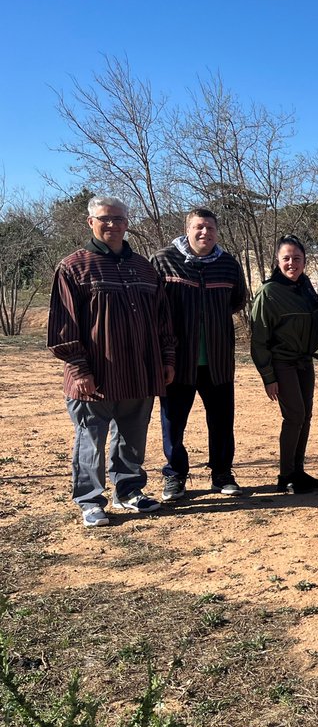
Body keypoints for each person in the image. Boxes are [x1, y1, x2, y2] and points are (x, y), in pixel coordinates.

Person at [48, 196, 176, 527]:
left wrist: (167, 358)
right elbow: (63, 325)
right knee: (91, 438)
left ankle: (129, 490)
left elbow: (163, 319)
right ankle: (90, 500)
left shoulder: (145, 268)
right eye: (105, 219)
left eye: (118, 219)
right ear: (90, 222)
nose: (112, 224)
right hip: (95, 375)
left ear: (127, 223)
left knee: (132, 436)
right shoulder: (74, 267)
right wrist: (79, 369)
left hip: (140, 372)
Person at [152, 208, 248, 501]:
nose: (204, 232)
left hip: (217, 362)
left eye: (210, 228)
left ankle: (221, 474)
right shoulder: (164, 260)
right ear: (187, 229)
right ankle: (176, 476)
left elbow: (236, 300)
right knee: (173, 422)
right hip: (177, 361)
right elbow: (155, 308)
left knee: (221, 422)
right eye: (199, 227)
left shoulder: (229, 264)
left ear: (217, 231)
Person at [250, 235, 318, 494]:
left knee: (306, 416)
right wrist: (268, 376)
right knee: (294, 416)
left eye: (297, 258)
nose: (292, 263)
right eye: (286, 258)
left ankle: (298, 470)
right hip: (282, 362)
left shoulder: (305, 287)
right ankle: (285, 475)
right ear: (277, 261)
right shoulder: (269, 292)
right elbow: (259, 339)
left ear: (304, 261)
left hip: (305, 362)